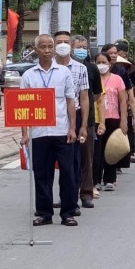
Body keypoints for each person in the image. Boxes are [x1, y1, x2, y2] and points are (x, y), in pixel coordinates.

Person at [20, 34, 78, 226]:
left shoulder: (63, 73)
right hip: (39, 133)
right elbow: (23, 106)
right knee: (42, 174)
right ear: (36, 50)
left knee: (68, 173)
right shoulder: (29, 75)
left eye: (49, 46)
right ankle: (44, 213)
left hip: (61, 130)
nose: (47, 50)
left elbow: (71, 100)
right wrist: (24, 134)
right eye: (43, 47)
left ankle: (68, 212)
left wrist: (72, 128)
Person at [54, 32, 89, 212]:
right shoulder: (46, 67)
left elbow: (84, 98)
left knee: (72, 164)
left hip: (72, 119)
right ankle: (51, 202)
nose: (62, 45)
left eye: (66, 42)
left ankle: (71, 202)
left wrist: (82, 125)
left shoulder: (80, 68)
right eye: (59, 42)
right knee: (49, 164)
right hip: (51, 119)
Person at [72, 35, 102, 207]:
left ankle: (86, 193)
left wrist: (86, 106)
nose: (82, 49)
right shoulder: (61, 68)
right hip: (66, 120)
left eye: (84, 46)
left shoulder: (91, 68)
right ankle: (68, 193)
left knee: (86, 158)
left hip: (87, 119)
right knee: (68, 159)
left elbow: (96, 94)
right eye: (78, 46)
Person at [95, 51, 128, 193]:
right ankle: (95, 180)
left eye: (104, 62)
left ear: (110, 64)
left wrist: (124, 120)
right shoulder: (93, 78)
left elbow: (123, 101)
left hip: (113, 118)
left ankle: (109, 179)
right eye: (98, 62)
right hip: (96, 119)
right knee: (97, 152)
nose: (101, 65)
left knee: (111, 149)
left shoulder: (117, 79)